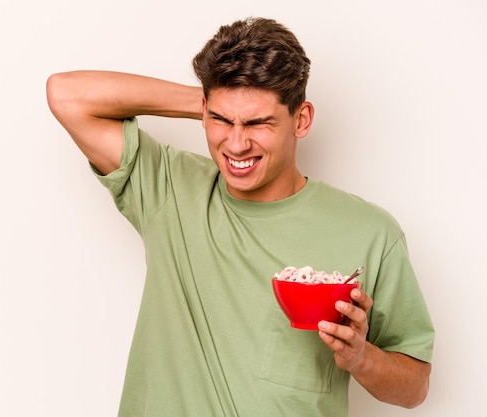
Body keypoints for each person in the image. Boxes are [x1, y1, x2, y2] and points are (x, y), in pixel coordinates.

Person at [46, 17, 434, 417]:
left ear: (300, 119)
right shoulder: (170, 189)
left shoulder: (370, 232)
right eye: (221, 120)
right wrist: (207, 104)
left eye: (258, 122)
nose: (236, 143)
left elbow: (415, 387)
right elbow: (67, 95)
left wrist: (362, 359)